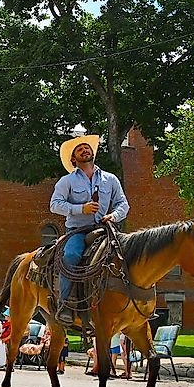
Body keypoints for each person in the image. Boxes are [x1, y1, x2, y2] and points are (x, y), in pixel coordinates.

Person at [49, 135, 130, 325]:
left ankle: (137, 300)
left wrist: (114, 216)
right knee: (70, 256)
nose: (85, 150)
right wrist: (80, 209)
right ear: (74, 159)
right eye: (80, 149)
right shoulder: (66, 181)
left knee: (128, 254)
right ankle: (66, 303)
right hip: (78, 230)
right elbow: (54, 205)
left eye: (87, 147)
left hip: (105, 228)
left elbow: (123, 204)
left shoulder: (110, 179)